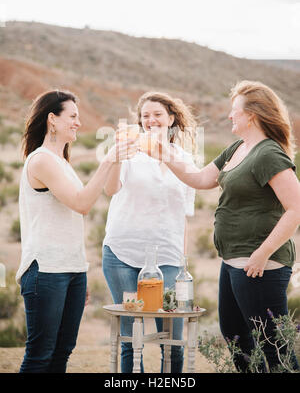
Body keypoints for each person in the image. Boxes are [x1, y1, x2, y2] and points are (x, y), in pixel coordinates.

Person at [147, 80, 300, 372]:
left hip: (259, 265)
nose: (230, 116)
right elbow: (202, 179)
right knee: (237, 342)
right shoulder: (238, 148)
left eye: (235, 111)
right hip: (232, 262)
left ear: (251, 115)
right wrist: (164, 154)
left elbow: (296, 209)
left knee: (273, 348)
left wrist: (262, 253)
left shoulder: (268, 153)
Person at [17, 89, 136, 373]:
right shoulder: (42, 159)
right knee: (39, 357)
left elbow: (71, 218)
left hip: (69, 272)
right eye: (72, 116)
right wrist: (108, 160)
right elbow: (82, 204)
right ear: (52, 120)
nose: (78, 123)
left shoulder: (61, 162)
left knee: (61, 355)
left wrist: (77, 271)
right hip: (45, 271)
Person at [102, 91, 197, 373]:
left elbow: (184, 216)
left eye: (157, 114)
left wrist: (183, 262)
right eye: (145, 116)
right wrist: (116, 157)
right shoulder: (128, 153)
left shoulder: (186, 159)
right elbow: (110, 190)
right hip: (122, 255)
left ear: (171, 118)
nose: (151, 120)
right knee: (131, 339)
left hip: (168, 258)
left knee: (174, 339)